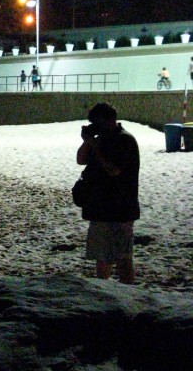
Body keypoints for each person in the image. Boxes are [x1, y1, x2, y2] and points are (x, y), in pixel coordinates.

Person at [76, 102, 140, 284]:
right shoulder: (101, 139)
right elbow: (80, 159)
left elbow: (114, 170)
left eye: (98, 123)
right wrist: (87, 141)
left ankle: (128, 292)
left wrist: (94, 145)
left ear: (109, 120)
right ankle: (104, 290)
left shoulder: (124, 140)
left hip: (120, 207)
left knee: (123, 258)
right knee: (102, 256)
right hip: (100, 206)